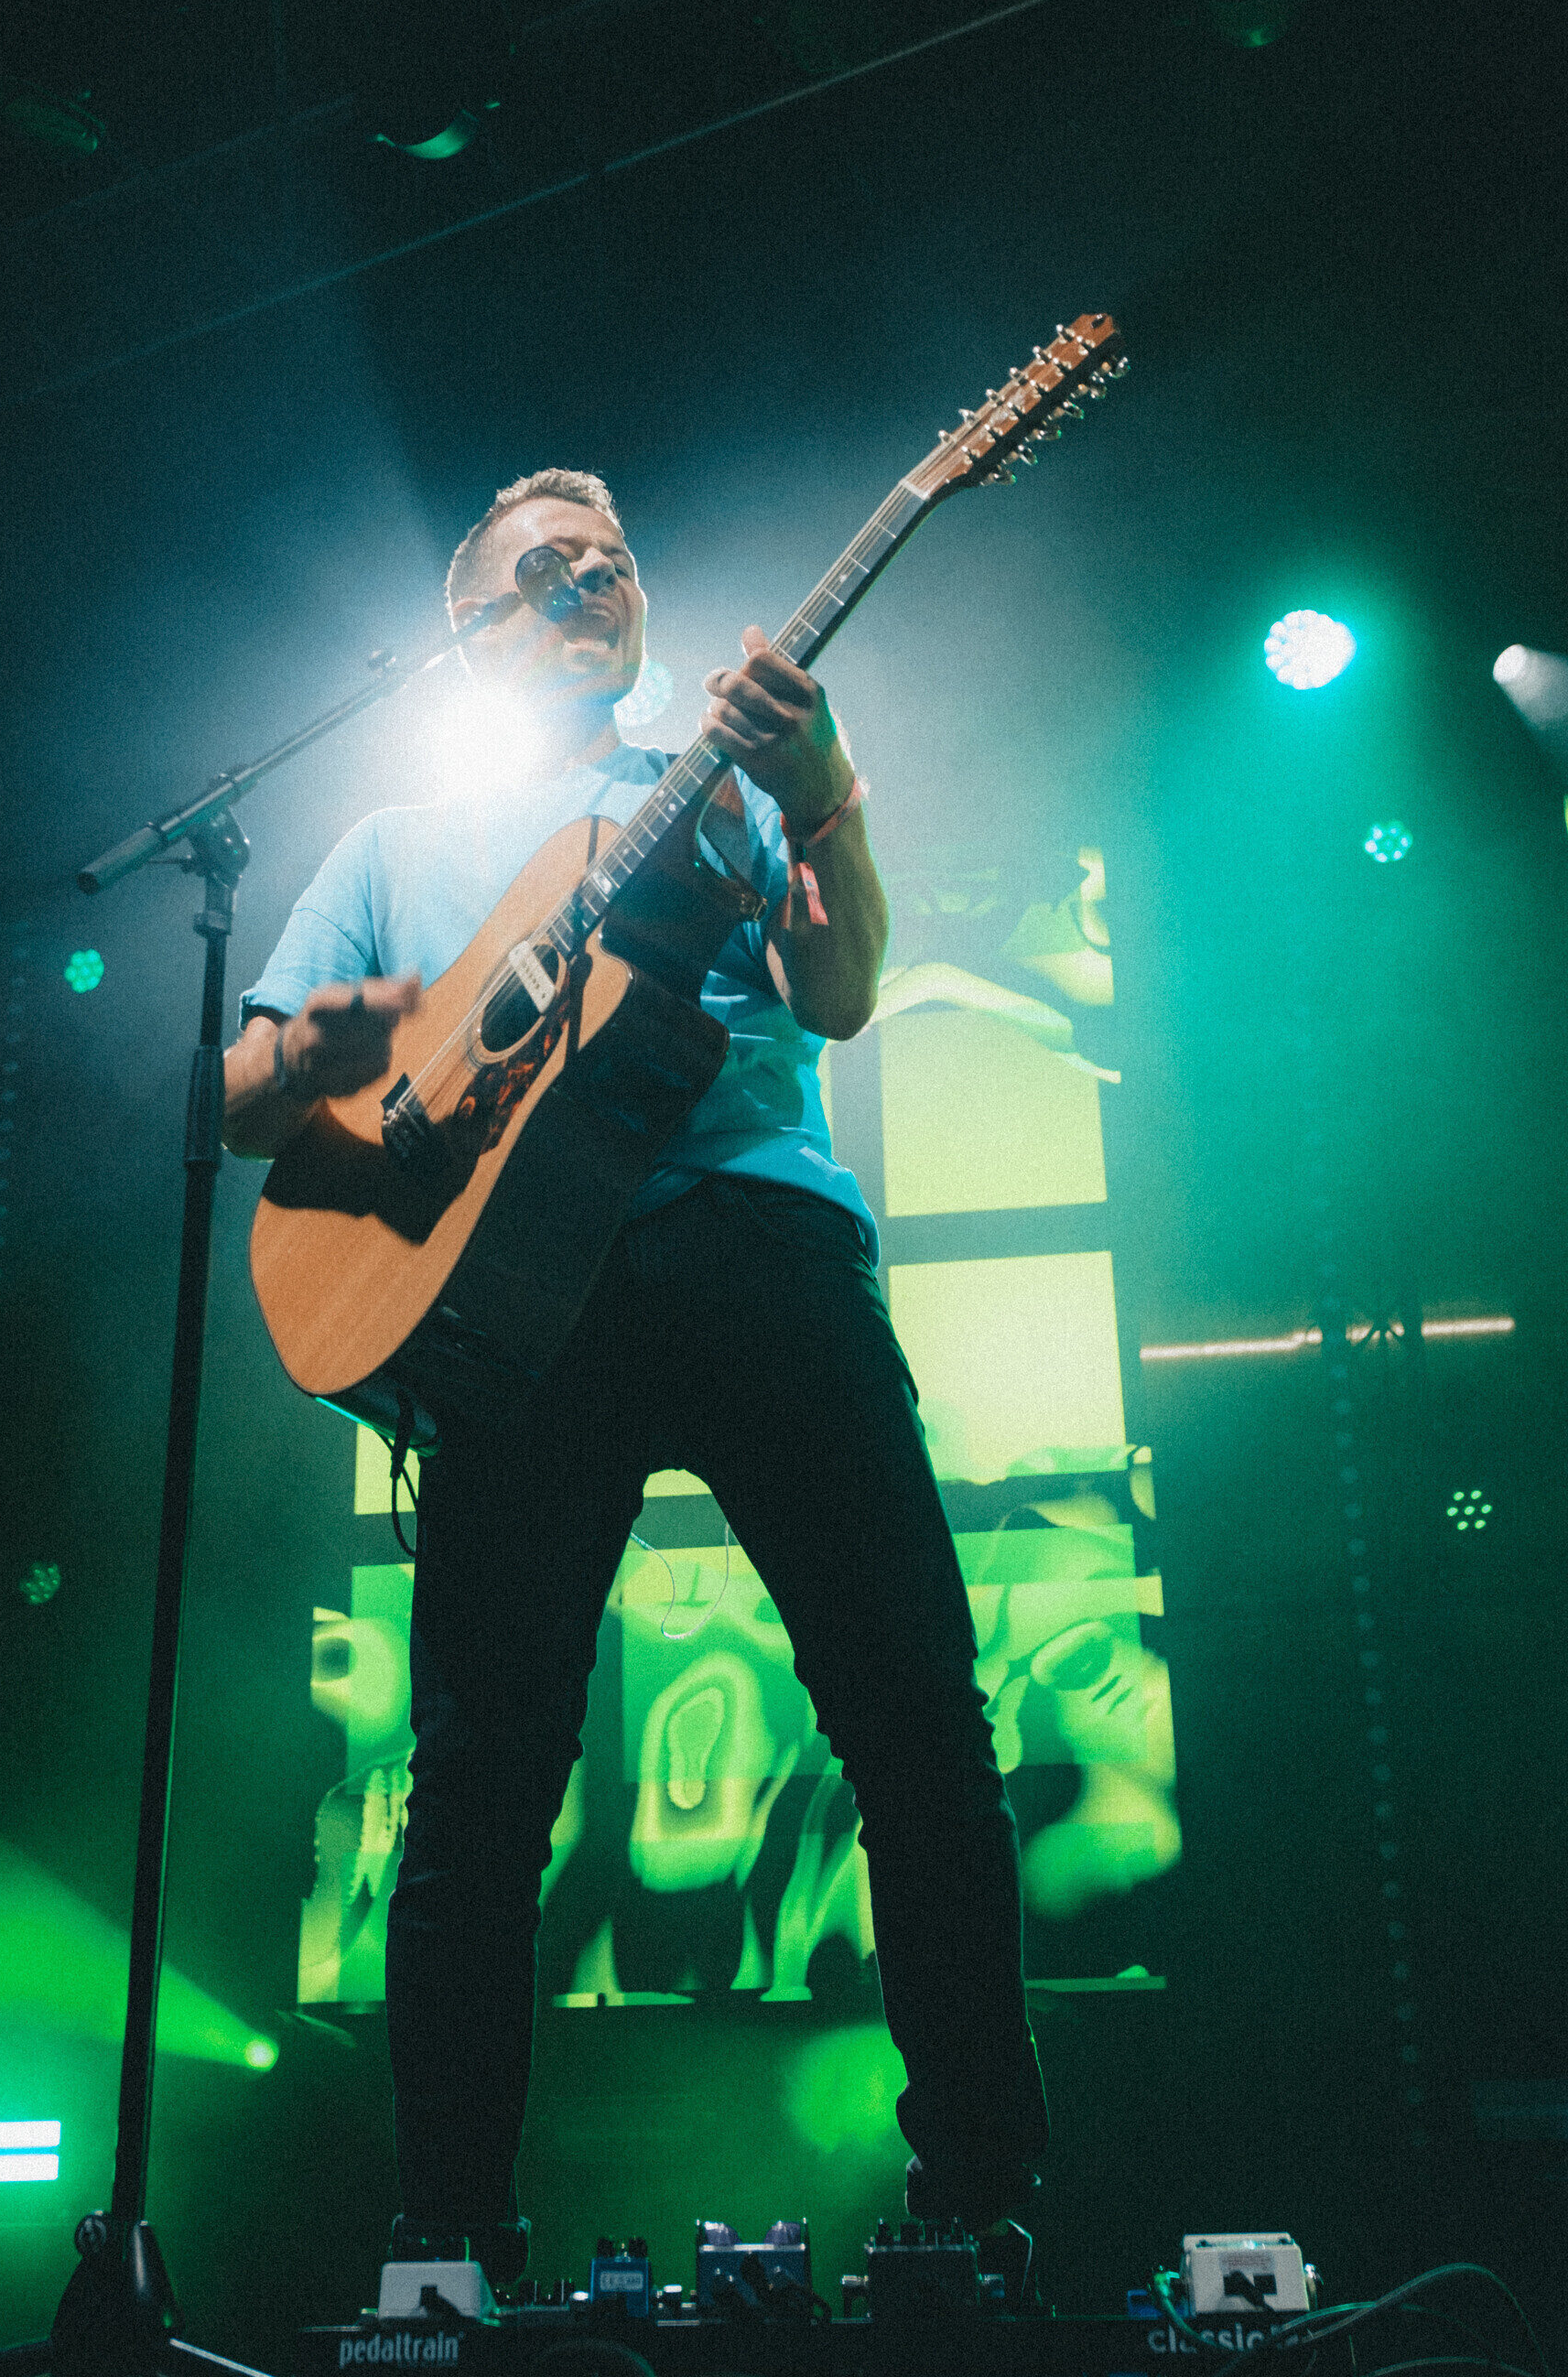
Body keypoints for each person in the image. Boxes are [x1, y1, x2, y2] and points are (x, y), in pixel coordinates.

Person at [222, 468, 1048, 2291]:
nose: (595, 579)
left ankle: (981, 2200)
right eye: (552, 564)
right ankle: (446, 2237)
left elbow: (839, 995)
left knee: (916, 1723)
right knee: (479, 1778)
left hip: (759, 1245)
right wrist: (416, 1039)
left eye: (614, 561)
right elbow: (242, 1101)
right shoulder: (391, 843)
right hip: (517, 1305)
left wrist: (823, 789)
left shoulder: (732, 782)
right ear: (473, 629)